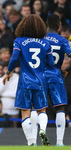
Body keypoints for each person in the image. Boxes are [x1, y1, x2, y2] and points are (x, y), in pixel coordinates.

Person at [2, 14, 54, 146]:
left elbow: (14, 58)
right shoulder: (46, 43)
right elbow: (51, 63)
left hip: (25, 80)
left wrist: (8, 72)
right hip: (41, 80)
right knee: (41, 110)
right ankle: (42, 130)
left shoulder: (19, 41)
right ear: (41, 27)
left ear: (23, 26)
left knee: (25, 111)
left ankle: (31, 142)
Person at [30, 14, 71, 146]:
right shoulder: (63, 40)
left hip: (39, 75)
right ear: (59, 26)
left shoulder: (39, 39)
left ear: (46, 25)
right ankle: (59, 142)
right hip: (55, 75)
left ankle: (33, 141)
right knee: (60, 108)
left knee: (37, 107)